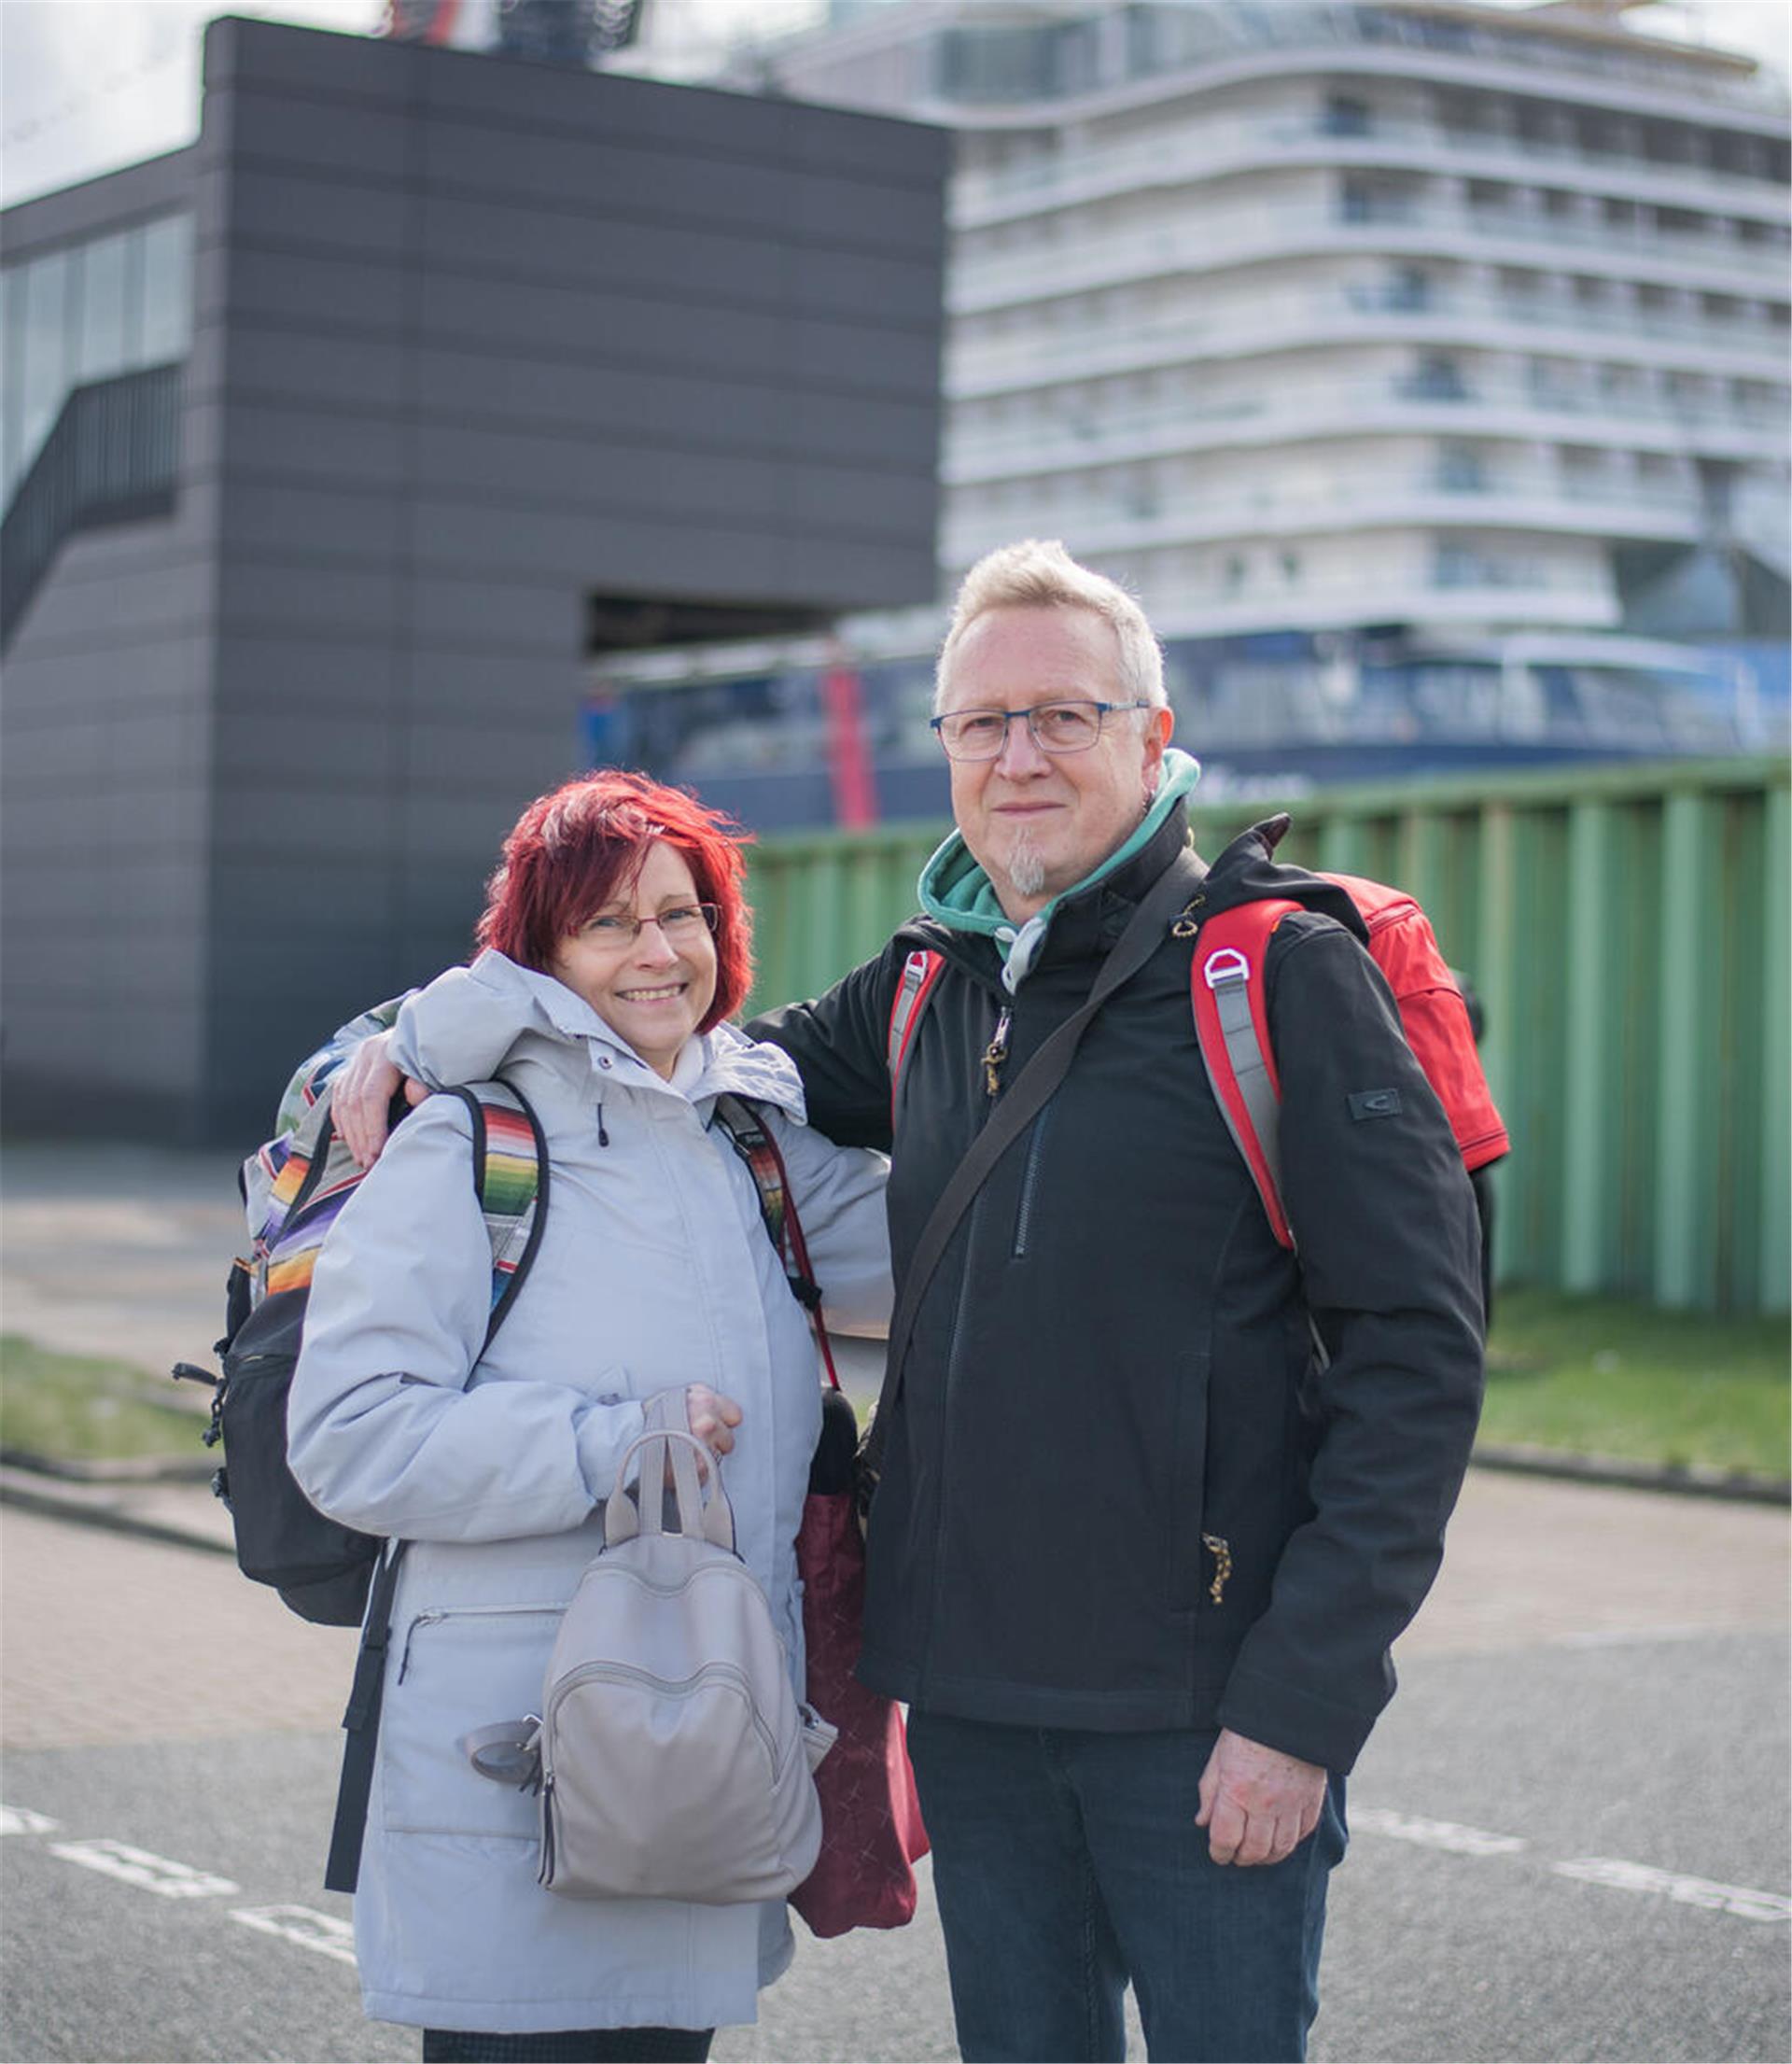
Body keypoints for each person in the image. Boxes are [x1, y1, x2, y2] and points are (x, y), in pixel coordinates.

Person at [335, 541, 1485, 2064]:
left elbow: (1418, 1358)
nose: (1020, 758)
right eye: (981, 725)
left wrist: (1302, 1707)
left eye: (1064, 717)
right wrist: (421, 1028)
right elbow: (653, 1034)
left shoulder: (1274, 978)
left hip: (1202, 1714)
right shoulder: (933, 985)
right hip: (975, 1713)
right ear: (944, 750)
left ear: (1153, 733)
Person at [287, 770, 890, 2063]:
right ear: (539, 955)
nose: (659, 952)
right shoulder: (470, 1143)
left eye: (683, 914)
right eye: (610, 923)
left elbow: (957, 1252)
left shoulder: (757, 1146)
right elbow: (350, 1433)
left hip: (696, 1760)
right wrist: (613, 1444)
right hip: (519, 1770)